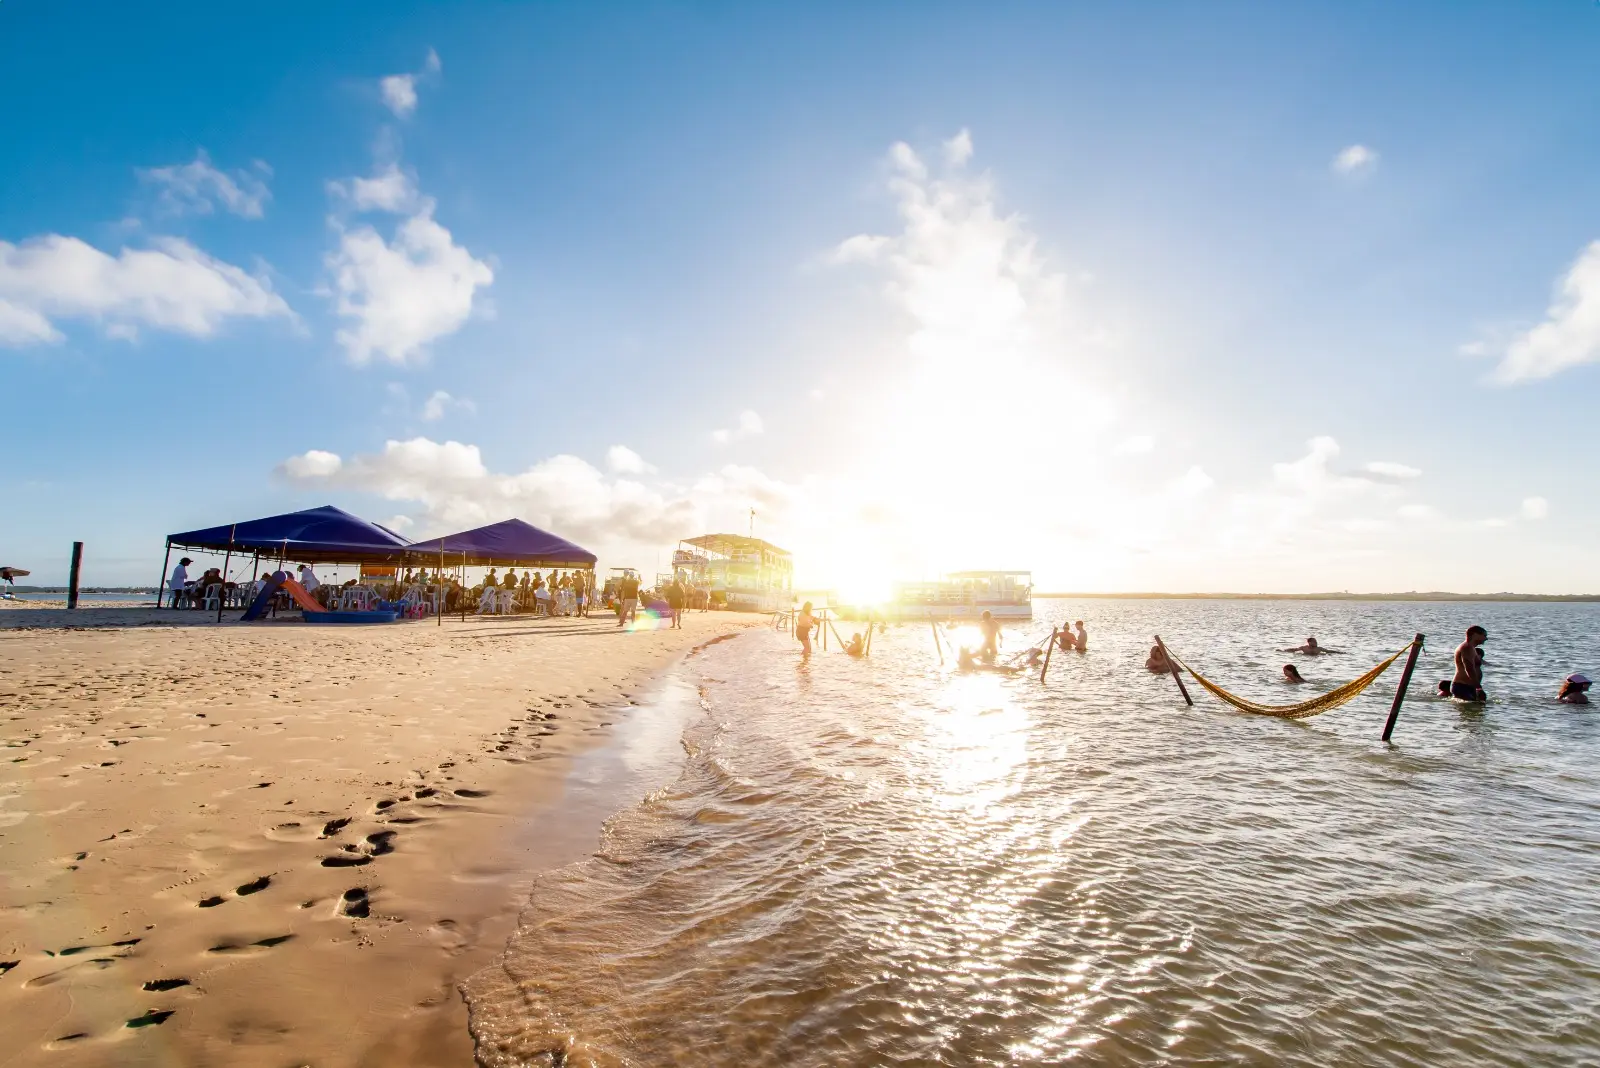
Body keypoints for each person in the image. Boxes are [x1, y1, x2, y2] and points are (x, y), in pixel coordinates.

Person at [1449, 625, 1488, 701]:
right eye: (1484, 635)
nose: (1486, 638)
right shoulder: (1467, 648)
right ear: (1475, 635)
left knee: (1476, 711)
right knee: (1470, 711)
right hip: (1462, 687)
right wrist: (1479, 688)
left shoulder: (1472, 648)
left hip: (1469, 687)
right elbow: (1469, 668)